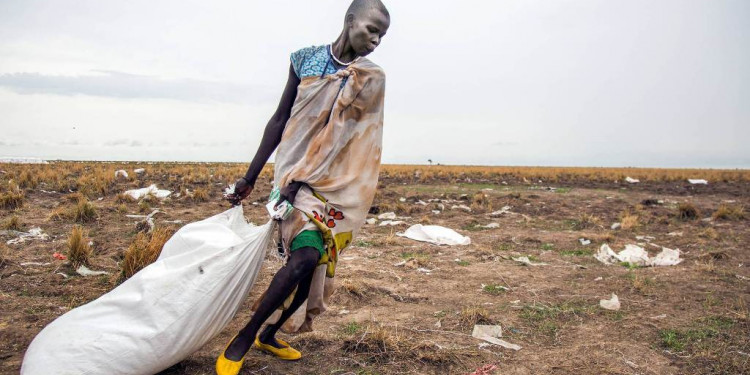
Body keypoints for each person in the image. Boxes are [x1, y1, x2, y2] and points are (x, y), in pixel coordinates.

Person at [217, 1, 390, 374]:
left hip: (335, 184)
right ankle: (244, 338)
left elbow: (356, 139)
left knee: (314, 265)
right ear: (350, 21)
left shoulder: (371, 78)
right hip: (292, 176)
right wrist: (250, 177)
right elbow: (280, 120)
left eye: (383, 36)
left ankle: (270, 333)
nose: (376, 40)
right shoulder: (304, 60)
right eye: (371, 29)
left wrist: (318, 178)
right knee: (306, 256)